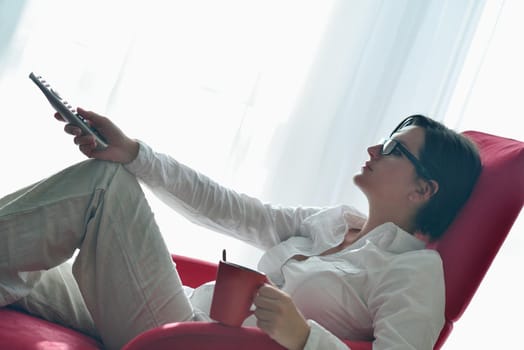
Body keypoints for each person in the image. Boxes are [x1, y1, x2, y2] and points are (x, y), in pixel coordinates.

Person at [0, 108, 481, 350]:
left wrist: (304, 337)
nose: (374, 149)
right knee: (15, 271)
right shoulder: (333, 222)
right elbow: (231, 208)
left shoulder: (413, 271)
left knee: (105, 186)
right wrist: (135, 154)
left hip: (190, 342)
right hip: (180, 315)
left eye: (394, 149)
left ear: (424, 190)